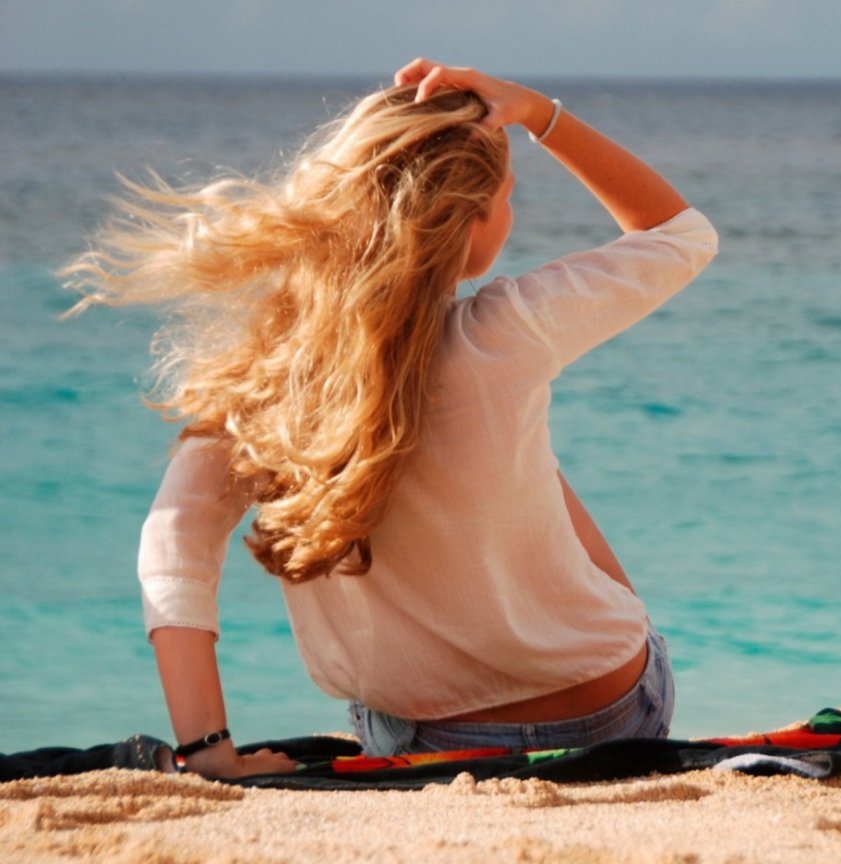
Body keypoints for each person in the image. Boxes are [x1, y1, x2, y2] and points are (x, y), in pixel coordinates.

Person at [64, 59, 718, 779]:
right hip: (609, 714)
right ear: (469, 221)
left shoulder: (269, 381)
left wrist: (209, 753)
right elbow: (680, 235)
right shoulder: (505, 332)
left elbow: (174, 543)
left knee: (505, 451)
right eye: (506, 197)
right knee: (519, 452)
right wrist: (538, 114)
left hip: (426, 747)